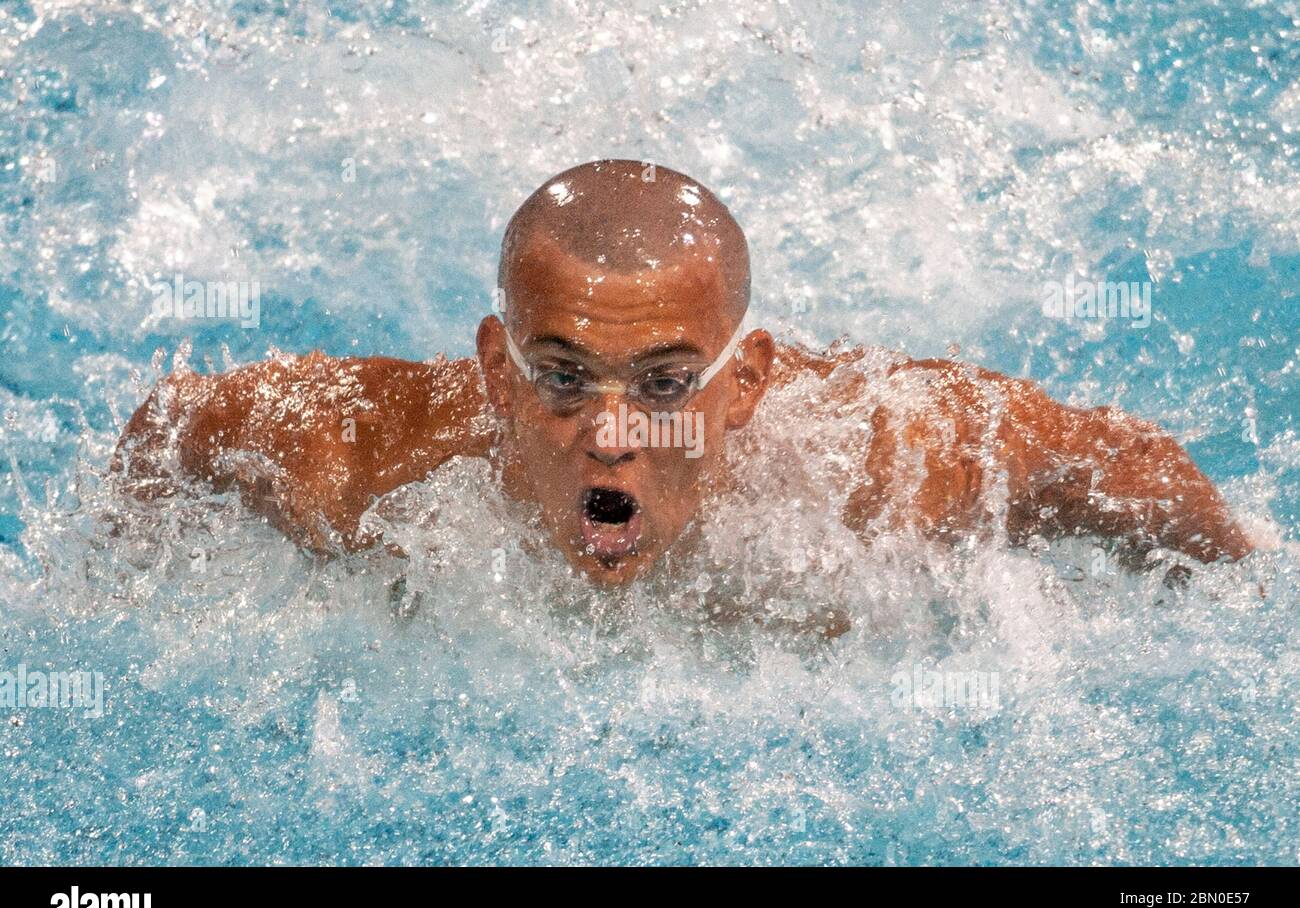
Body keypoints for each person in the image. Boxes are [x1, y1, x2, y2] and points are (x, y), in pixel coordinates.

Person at [113, 160, 1255, 586]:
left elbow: (1132, 464)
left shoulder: (882, 467)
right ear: (495, 373)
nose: (610, 435)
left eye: (664, 384)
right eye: (561, 374)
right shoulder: (362, 462)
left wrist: (1246, 586)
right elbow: (173, 425)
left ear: (746, 380)